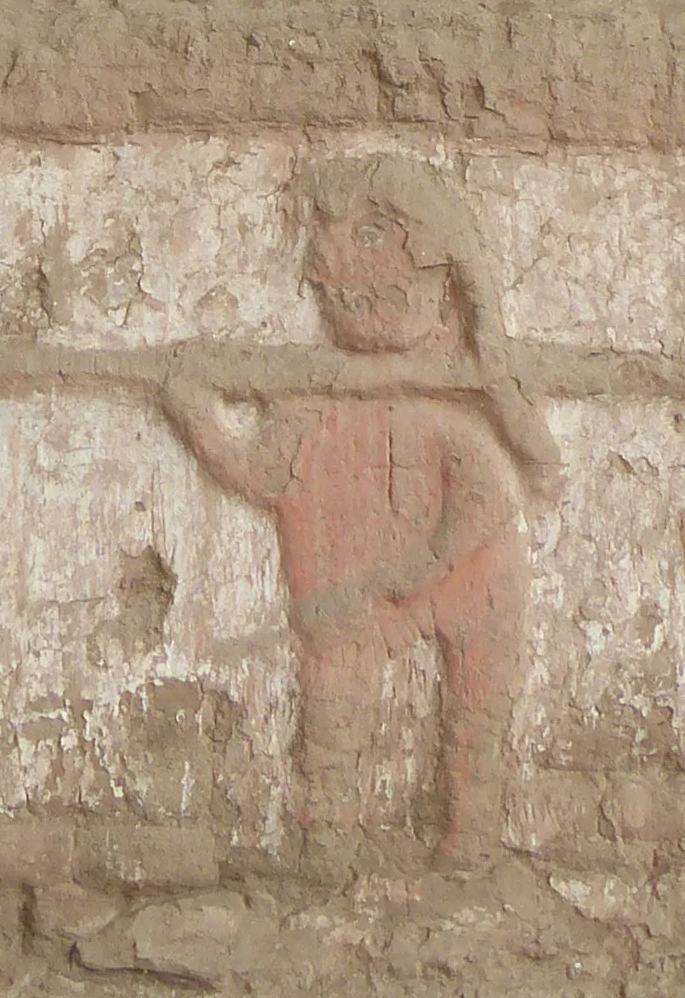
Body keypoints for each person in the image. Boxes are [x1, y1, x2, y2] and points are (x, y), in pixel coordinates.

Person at [162, 153, 554, 875]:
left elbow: (494, 496)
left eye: (371, 236)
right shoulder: (309, 396)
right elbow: (263, 474)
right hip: (350, 587)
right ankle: (330, 846)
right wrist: (198, 421)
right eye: (330, 241)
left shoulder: (456, 397)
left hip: (462, 575)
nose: (324, 267)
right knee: (333, 711)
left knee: (477, 702)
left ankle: (469, 842)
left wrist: (418, 570)